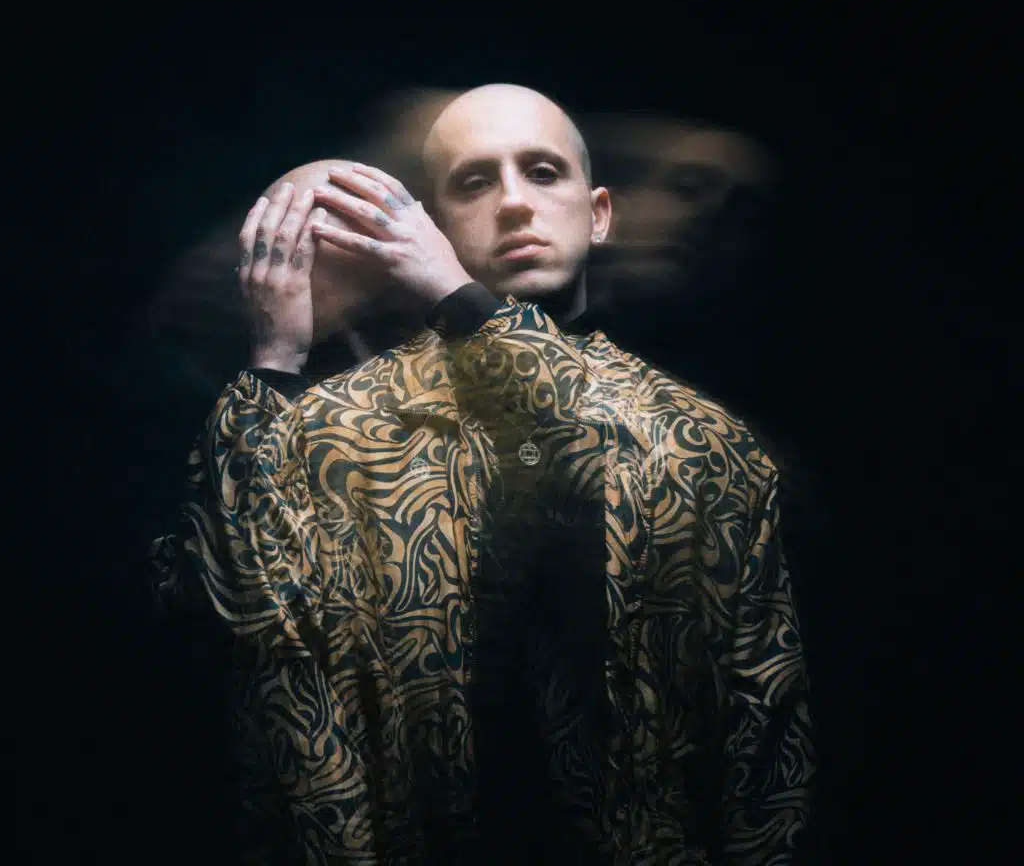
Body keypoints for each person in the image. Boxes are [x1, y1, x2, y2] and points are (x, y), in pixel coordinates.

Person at [152, 84, 815, 865]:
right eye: (473, 182)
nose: (513, 204)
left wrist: (458, 300)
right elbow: (240, 633)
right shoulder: (335, 435)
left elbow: (762, 719)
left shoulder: (697, 436)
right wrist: (272, 366)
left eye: (543, 172)